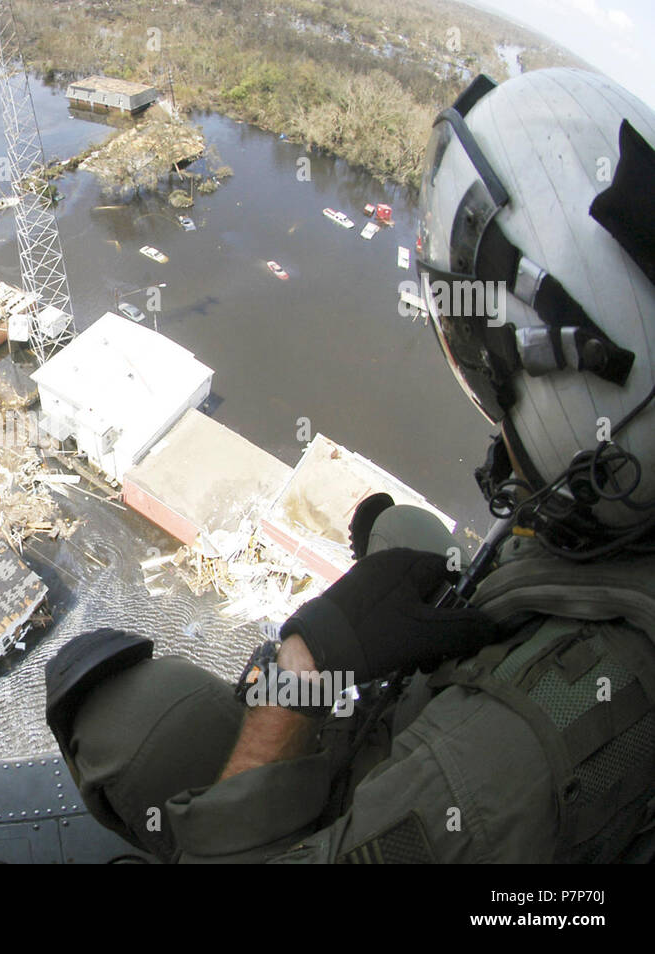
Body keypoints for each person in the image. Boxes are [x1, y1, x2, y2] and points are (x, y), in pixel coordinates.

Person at [43, 68, 655, 863]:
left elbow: (465, 782)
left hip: (420, 775)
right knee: (404, 533)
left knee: (125, 725)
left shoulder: (501, 761)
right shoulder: (618, 518)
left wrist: (305, 666)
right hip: (510, 668)